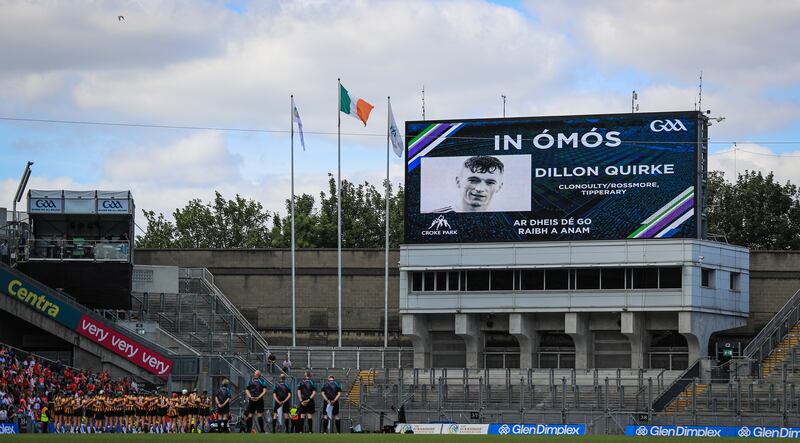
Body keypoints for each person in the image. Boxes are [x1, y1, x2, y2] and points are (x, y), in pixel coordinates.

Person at [432, 155, 505, 213]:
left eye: (490, 182)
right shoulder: (433, 217)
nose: (480, 189)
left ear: (499, 187)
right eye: (473, 180)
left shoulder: (507, 222)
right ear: (458, 182)